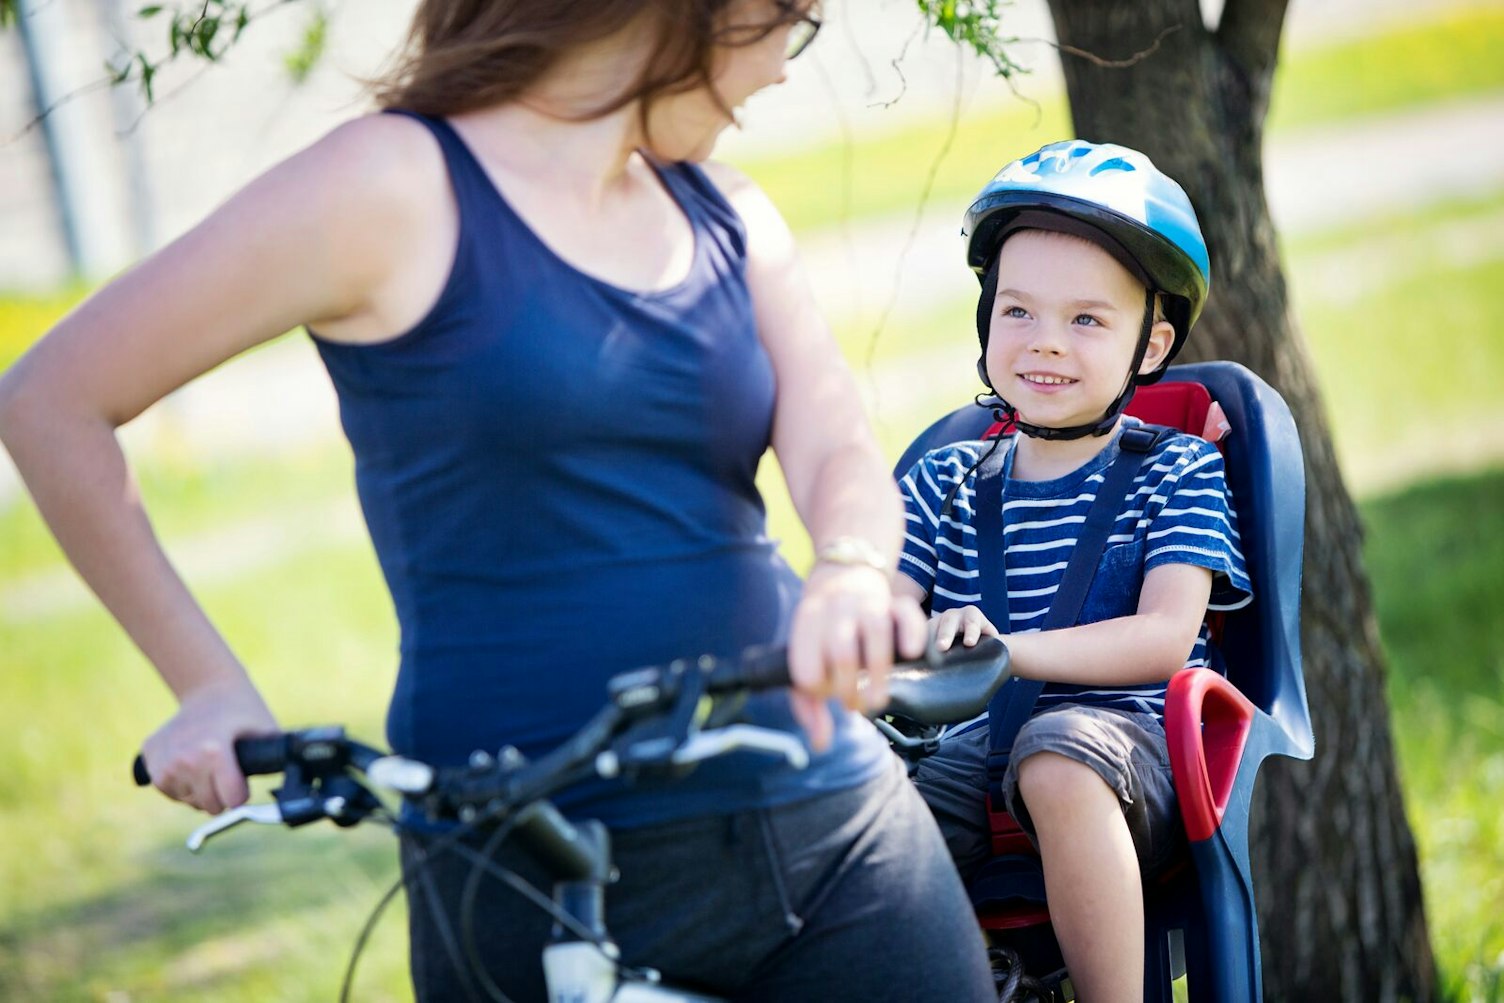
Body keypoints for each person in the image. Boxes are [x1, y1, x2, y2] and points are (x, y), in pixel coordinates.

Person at [0, 2, 998, 1000]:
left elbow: (834, 442)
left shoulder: (727, 211)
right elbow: (53, 400)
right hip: (513, 858)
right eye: (797, 21)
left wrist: (851, 570)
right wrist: (207, 685)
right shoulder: (389, 184)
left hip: (826, 828)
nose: (786, 67)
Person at [895, 140, 1252, 1002]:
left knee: (1057, 757)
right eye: (1018, 312)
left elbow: (1167, 638)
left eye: (1087, 320)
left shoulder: (1177, 471)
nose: (1045, 343)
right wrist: (914, 637)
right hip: (963, 752)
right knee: (854, 806)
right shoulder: (944, 479)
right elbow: (878, 614)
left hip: (1130, 755)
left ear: (1151, 341)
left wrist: (1009, 651)